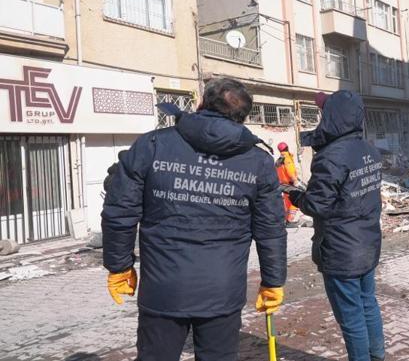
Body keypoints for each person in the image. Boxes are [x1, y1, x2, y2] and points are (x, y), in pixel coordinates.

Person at [102, 78, 287, 361]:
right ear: (242, 117)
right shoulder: (258, 161)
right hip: (221, 292)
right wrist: (273, 280)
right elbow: (270, 229)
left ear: (200, 104)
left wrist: (119, 265)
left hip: (164, 289)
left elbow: (120, 212)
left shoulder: (153, 144)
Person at [289, 90, 385, 361]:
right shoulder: (369, 150)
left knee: (352, 318)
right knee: (368, 304)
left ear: (332, 117)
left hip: (342, 252)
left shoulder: (330, 157)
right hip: (367, 244)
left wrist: (296, 197)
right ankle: (377, 356)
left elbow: (317, 204)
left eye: (323, 113)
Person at [275, 142, 299, 225]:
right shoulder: (287, 158)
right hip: (290, 183)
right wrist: (295, 180)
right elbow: (290, 171)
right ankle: (290, 220)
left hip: (283, 184)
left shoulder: (279, 160)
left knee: (288, 203)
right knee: (295, 202)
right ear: (287, 148)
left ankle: (287, 220)